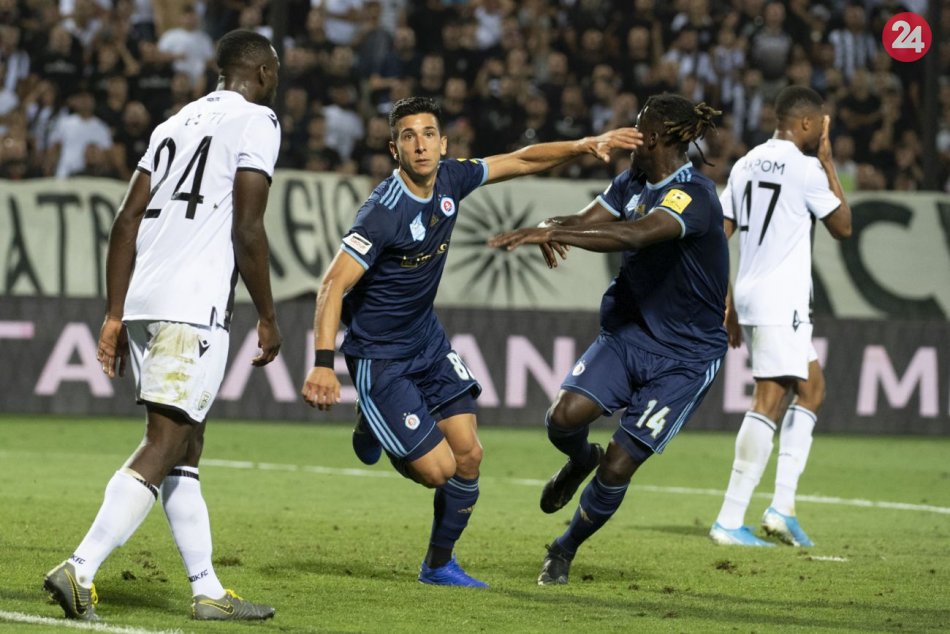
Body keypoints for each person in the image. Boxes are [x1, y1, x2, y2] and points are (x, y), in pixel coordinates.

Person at [300, 96, 640, 587]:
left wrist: (586, 144)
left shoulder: (452, 178)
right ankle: (373, 421)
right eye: (408, 137)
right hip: (380, 357)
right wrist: (322, 363)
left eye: (428, 134)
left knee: (470, 456)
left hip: (427, 342)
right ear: (394, 149)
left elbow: (520, 160)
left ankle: (438, 566)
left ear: (443, 143)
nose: (420, 145)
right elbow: (333, 284)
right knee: (437, 471)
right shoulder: (382, 212)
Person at [43, 29, 283, 622]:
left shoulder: (173, 124)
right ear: (262, 72)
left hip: (148, 298)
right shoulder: (258, 121)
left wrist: (114, 312)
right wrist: (269, 315)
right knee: (165, 440)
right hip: (193, 304)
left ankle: (206, 589)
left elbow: (126, 220)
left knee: (185, 446)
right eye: (274, 70)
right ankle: (79, 567)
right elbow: (248, 227)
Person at [488, 93, 727, 585]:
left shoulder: (693, 195)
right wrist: (550, 227)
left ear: (653, 137)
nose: (628, 136)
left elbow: (635, 235)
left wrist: (553, 235)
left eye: (637, 127)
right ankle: (581, 459)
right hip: (628, 334)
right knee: (562, 419)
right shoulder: (631, 181)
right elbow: (584, 222)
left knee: (618, 466)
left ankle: (564, 548)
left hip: (684, 358)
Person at [709, 85, 851, 548]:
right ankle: (729, 520)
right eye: (822, 123)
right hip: (780, 300)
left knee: (812, 389)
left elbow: (717, 236)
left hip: (754, 293)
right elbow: (843, 227)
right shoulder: (807, 168)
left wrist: (729, 300)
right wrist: (828, 162)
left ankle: (782, 508)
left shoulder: (745, 163)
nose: (823, 130)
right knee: (769, 399)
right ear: (808, 123)